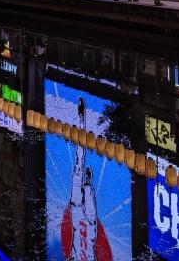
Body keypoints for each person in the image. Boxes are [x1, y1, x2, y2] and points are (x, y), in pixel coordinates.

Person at [67, 97, 98, 260]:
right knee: (86, 184)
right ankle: (81, 119)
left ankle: (81, 119)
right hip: (87, 222)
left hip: (78, 215)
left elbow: (72, 254)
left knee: (79, 163)